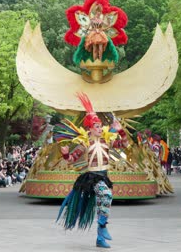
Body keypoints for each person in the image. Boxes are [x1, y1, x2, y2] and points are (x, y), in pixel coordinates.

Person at [56, 93, 128, 248]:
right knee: (107, 195)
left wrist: (120, 131)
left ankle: (100, 238)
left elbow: (125, 145)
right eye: (97, 126)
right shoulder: (85, 142)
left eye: (101, 125)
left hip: (104, 176)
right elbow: (71, 160)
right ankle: (102, 227)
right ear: (90, 128)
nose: (100, 128)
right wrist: (65, 153)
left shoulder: (107, 140)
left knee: (104, 202)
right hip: (93, 177)